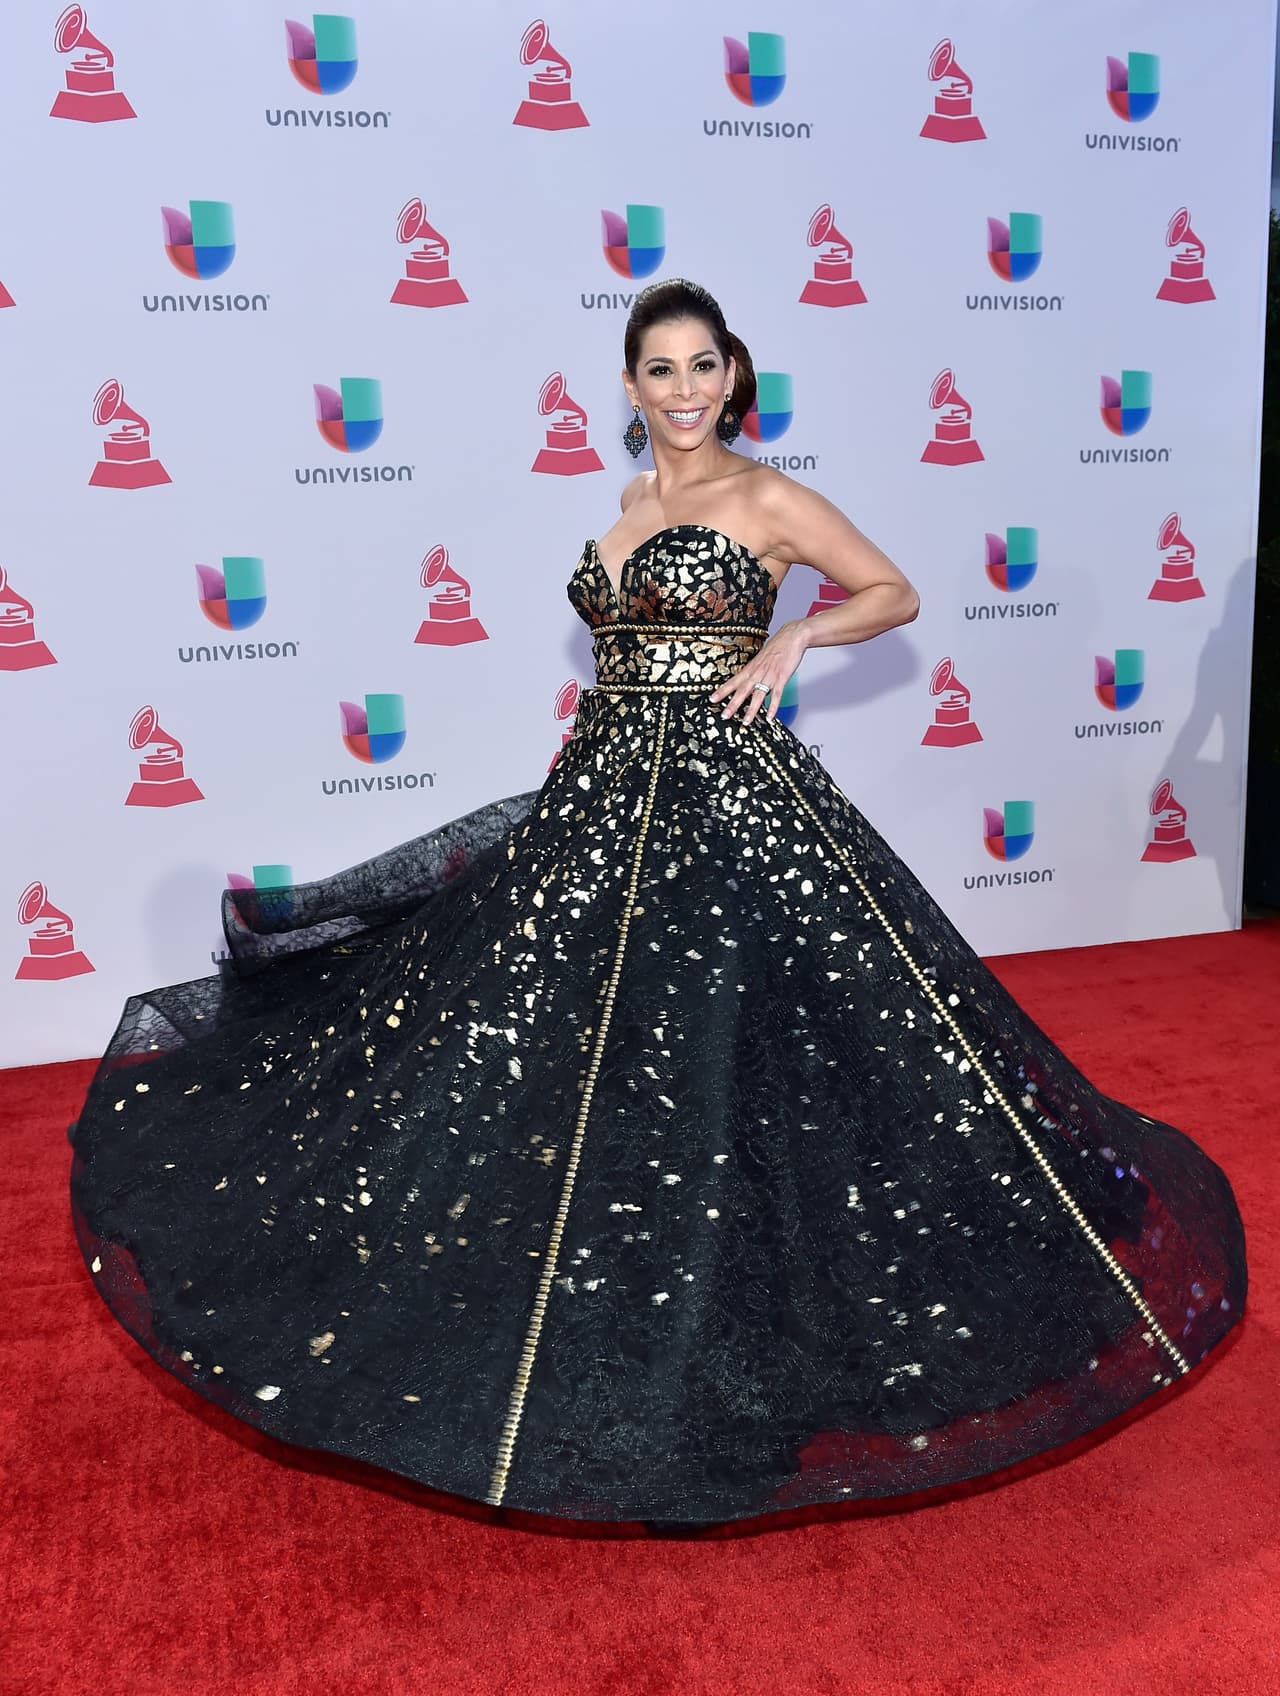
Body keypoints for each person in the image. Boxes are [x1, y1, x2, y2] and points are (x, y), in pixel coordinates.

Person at [70, 279, 1246, 1529]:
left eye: (702, 365)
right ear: (629, 389)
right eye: (660, 369)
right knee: (565, 1060)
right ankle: (587, 1311)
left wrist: (794, 640)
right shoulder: (631, 503)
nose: (684, 389)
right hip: (603, 799)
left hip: (729, 808)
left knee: (733, 1067)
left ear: (730, 375)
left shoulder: (765, 497)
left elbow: (892, 591)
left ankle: (733, 1338)